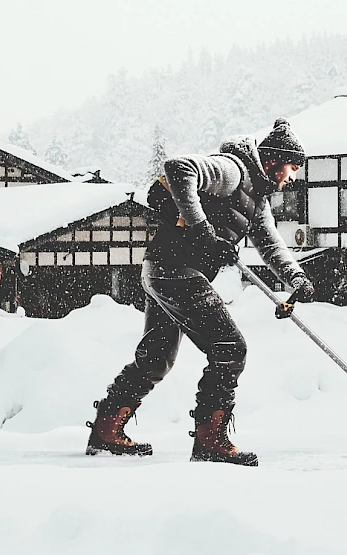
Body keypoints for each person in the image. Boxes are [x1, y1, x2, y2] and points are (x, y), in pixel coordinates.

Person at [86, 118, 316, 466]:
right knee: (229, 347)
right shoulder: (233, 171)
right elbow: (178, 168)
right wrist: (204, 233)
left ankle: (106, 430)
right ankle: (211, 440)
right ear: (273, 160)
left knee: (156, 358)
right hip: (176, 269)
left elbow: (271, 247)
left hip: (162, 269)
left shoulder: (257, 200)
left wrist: (296, 278)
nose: (293, 177)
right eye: (293, 167)